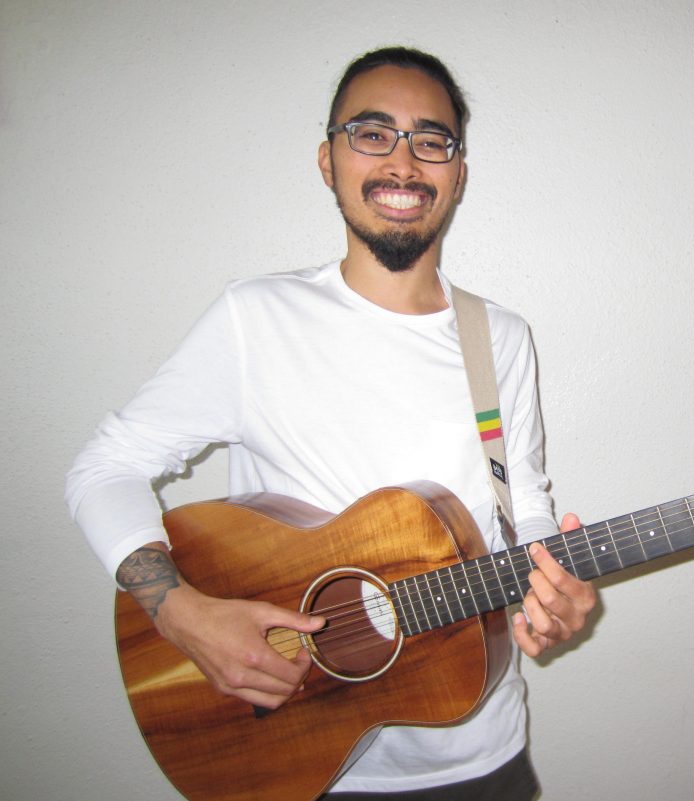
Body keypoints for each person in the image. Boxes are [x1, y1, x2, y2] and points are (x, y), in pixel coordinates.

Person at [66, 46, 596, 800]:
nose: (405, 162)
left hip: (479, 757)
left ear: (458, 171)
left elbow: (526, 506)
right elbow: (103, 468)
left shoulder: (499, 337)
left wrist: (550, 587)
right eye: (372, 133)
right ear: (328, 159)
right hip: (294, 754)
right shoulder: (256, 319)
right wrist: (185, 615)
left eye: (431, 139)